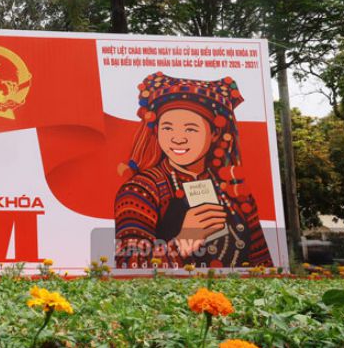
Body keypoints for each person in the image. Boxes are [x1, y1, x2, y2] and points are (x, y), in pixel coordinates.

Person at [114, 72, 272, 269]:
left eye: (191, 129)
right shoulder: (142, 189)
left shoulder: (234, 191)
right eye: (168, 128)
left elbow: (264, 266)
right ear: (157, 131)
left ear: (215, 133)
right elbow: (127, 266)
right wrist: (184, 242)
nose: (177, 138)